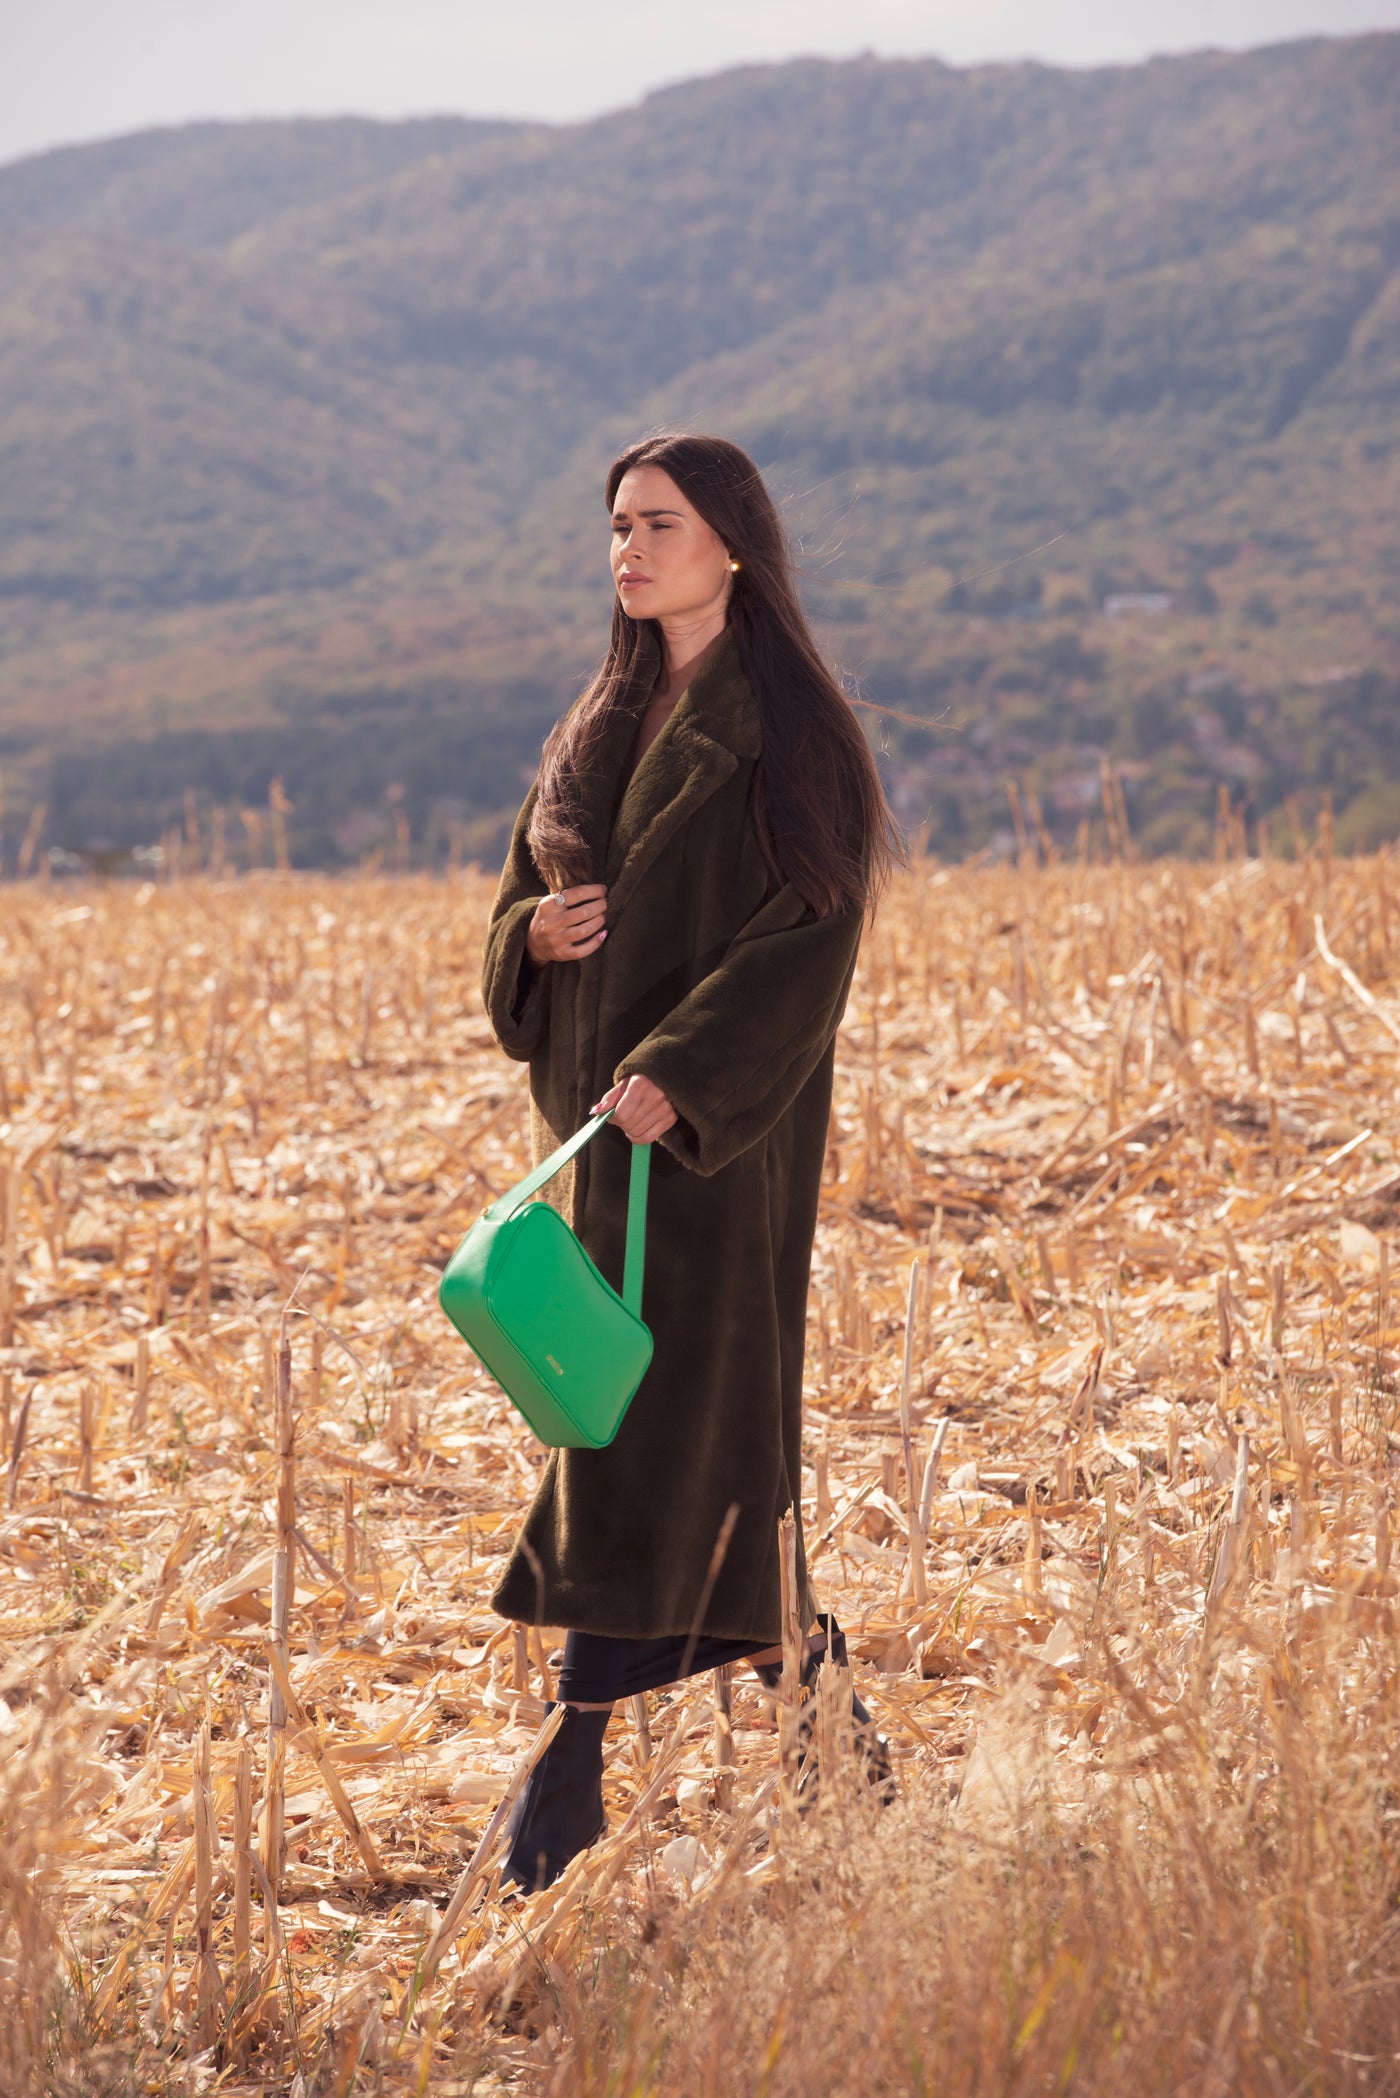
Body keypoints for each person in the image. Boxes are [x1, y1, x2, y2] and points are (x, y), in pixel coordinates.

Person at [480, 431, 902, 1891]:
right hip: (605, 1154)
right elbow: (510, 919)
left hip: (722, 1165)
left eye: (658, 523)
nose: (630, 549)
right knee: (677, 1450)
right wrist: (530, 938)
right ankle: (827, 1717)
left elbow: (814, 944)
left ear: (731, 540)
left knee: (650, 1440)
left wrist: (690, 1071)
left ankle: (567, 1771)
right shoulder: (594, 731)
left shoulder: (796, 733)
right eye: (616, 526)